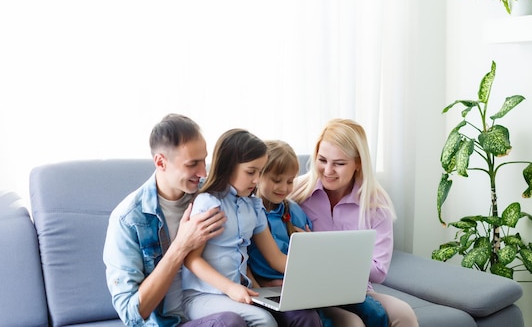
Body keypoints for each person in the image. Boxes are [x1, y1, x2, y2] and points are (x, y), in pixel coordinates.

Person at [103, 114, 248, 327]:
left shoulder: (211, 197)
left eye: (204, 160)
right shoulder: (128, 219)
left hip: (218, 304)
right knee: (229, 323)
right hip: (170, 323)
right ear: (161, 162)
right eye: (192, 164)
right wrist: (180, 246)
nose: (203, 172)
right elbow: (132, 314)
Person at [181, 129, 322, 327]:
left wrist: (318, 271)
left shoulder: (253, 207)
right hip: (202, 294)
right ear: (228, 166)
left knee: (302, 315)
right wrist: (230, 288)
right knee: (264, 320)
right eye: (250, 172)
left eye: (259, 172)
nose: (256, 179)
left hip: (240, 291)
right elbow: (191, 259)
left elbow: (276, 259)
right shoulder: (208, 203)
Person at [289, 119, 419, 327]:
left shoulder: (375, 204)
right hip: (309, 291)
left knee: (403, 314)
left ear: (358, 163)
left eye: (339, 163)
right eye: (322, 160)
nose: (328, 170)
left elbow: (379, 271)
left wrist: (323, 250)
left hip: (356, 291)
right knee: (353, 323)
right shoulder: (296, 191)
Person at [249, 140, 388, 327]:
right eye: (276, 180)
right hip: (281, 289)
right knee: (324, 322)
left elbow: (315, 253)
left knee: (375, 312)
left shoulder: (294, 210)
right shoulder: (251, 215)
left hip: (310, 284)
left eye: (290, 181)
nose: (283, 188)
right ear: (258, 176)